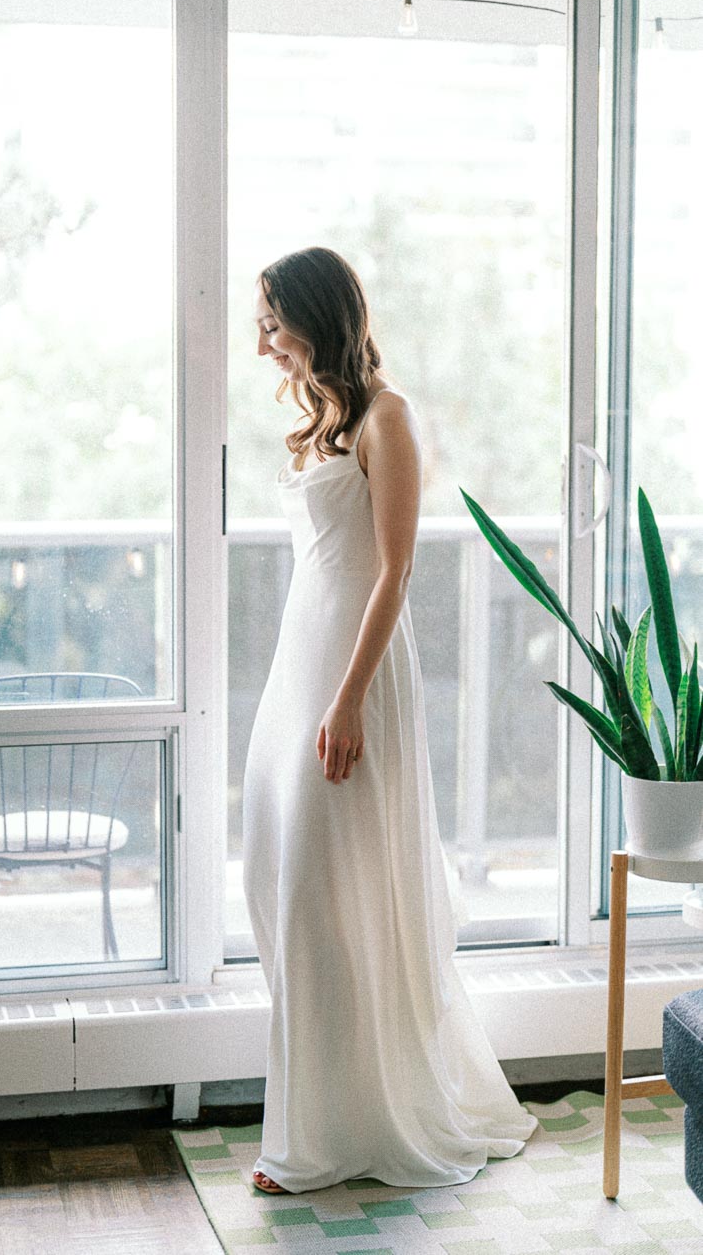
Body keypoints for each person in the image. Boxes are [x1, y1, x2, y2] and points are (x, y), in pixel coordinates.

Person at [242, 245, 538, 1196]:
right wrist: (310, 688)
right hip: (305, 660)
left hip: (355, 676)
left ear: (316, 317)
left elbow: (395, 572)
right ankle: (325, 1117)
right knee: (291, 885)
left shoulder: (388, 417)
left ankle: (342, 1131)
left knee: (341, 888)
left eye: (272, 322)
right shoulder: (324, 422)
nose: (262, 345)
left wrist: (349, 700)